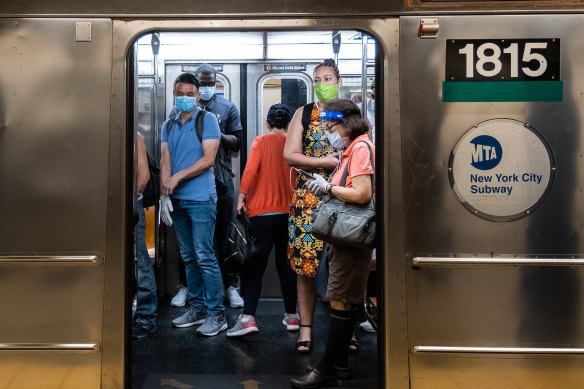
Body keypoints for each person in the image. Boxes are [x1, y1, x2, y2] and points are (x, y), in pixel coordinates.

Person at [291, 99, 375, 388]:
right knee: (346, 301)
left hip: (351, 239)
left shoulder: (361, 149)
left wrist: (328, 188)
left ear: (348, 123)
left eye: (332, 126)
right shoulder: (351, 150)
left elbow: (362, 194)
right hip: (347, 237)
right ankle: (339, 366)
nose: (329, 132)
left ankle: (325, 369)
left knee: (341, 300)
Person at [168, 64, 244, 309]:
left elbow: (237, 144)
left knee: (222, 237)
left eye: (211, 82)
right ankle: (187, 287)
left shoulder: (226, 109)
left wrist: (214, 132)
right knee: (188, 246)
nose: (207, 86)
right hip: (185, 184)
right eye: (203, 82)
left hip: (219, 180)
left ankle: (229, 285)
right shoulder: (174, 115)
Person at [159, 73, 227, 337]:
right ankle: (197, 309)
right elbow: (165, 158)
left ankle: (216, 314)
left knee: (205, 257)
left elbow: (208, 159)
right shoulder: (168, 124)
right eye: (180, 93)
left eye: (189, 94)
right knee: (188, 257)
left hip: (201, 200)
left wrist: (176, 178)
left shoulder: (207, 120)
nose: (184, 98)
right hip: (177, 200)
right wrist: (165, 190)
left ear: (198, 96)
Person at [283, 58, 342, 353]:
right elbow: (290, 155)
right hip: (309, 199)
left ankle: (343, 327)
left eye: (328, 79)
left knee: (341, 266)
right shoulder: (304, 113)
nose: (322, 84)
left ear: (339, 82)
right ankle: (306, 328)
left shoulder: (350, 113)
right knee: (306, 266)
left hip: (344, 199)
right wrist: (324, 162)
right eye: (317, 79)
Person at [226, 104, 299, 337]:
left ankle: (248, 319)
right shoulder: (294, 145)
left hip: (261, 214)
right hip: (289, 214)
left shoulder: (260, 141)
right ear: (289, 124)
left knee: (255, 267)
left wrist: (241, 198)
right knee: (286, 267)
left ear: (268, 123)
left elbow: (250, 171)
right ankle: (292, 317)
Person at [132, 133, 158, 339]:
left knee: (141, 259)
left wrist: (133, 200)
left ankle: (146, 316)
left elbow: (144, 177)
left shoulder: (135, 136)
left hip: (131, 204)